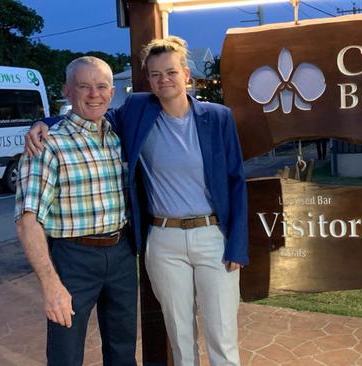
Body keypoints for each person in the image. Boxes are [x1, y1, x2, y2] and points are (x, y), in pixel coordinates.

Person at [26, 36, 248, 366]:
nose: (163, 80)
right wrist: (44, 123)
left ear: (186, 74)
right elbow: (90, 115)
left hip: (212, 236)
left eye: (171, 72)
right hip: (163, 240)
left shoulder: (217, 117)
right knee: (179, 335)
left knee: (222, 336)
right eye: (155, 74)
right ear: (148, 79)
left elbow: (235, 181)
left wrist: (238, 245)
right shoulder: (138, 110)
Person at [15, 56, 137, 366]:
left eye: (101, 87)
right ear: (67, 91)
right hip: (73, 259)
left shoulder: (116, 136)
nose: (94, 94)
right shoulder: (46, 145)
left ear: (112, 92)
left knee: (123, 350)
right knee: (65, 354)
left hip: (121, 253)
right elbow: (28, 220)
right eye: (84, 86)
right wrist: (50, 285)